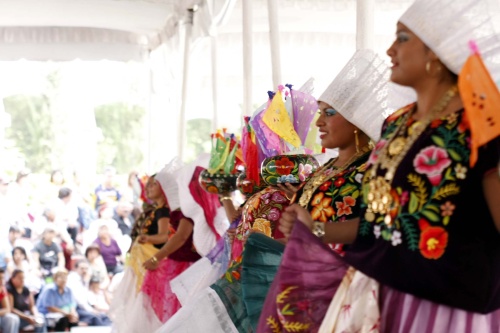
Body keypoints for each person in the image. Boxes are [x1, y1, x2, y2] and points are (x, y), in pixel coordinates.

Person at [274, 1, 500, 332]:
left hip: (448, 307)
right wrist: (316, 229)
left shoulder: (482, 121)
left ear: (436, 51)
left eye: (403, 38)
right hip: (377, 294)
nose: (390, 49)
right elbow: (375, 222)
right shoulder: (396, 125)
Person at [109, 170, 171, 333]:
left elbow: (164, 236)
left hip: (152, 260)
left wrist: (147, 239)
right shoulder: (155, 210)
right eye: (148, 184)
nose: (148, 187)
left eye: (153, 184)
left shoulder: (163, 211)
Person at [140, 158, 201, 326]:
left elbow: (180, 237)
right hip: (178, 262)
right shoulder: (179, 209)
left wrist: (156, 258)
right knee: (173, 309)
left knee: (179, 310)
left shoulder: (185, 209)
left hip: (186, 265)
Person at [67, 259, 111, 327]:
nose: (84, 270)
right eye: (82, 268)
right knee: (96, 317)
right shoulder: (73, 278)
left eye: (86, 268)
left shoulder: (84, 279)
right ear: (75, 269)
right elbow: (79, 300)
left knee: (106, 316)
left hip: (85, 306)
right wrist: (91, 310)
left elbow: (86, 297)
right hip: (74, 308)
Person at [0, 268, 20, 333]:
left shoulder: (2, 289)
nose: (1, 281)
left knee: (14, 318)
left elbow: (7, 309)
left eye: (3, 278)